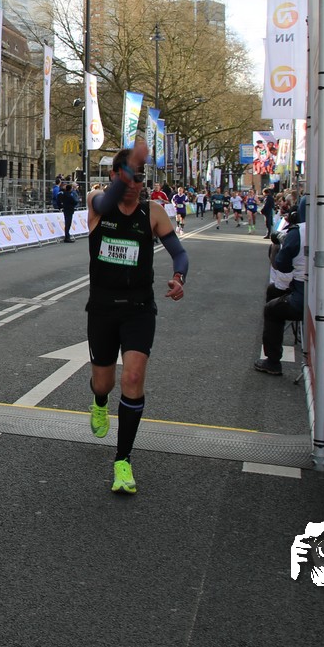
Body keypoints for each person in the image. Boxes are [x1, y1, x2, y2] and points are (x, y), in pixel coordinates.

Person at [83, 139, 189, 495]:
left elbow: (179, 253)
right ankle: (99, 403)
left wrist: (179, 277)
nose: (134, 184)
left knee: (132, 377)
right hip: (102, 309)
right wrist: (129, 167)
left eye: (140, 177)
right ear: (114, 177)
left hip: (139, 309)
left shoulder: (153, 212)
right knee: (104, 384)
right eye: (128, 176)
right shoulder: (97, 203)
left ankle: (123, 460)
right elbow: (106, 201)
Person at [256, 204, 306, 375]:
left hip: (302, 295)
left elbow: (282, 266)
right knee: (274, 293)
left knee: (271, 309)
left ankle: (272, 361)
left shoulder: (297, 232)